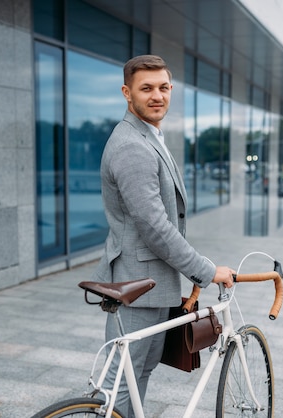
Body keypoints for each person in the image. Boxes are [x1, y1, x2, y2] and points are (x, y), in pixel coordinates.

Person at [91, 55, 235, 417]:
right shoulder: (131, 146)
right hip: (137, 285)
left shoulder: (148, 136)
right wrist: (204, 269)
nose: (157, 95)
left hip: (152, 282)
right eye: (146, 88)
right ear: (127, 93)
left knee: (138, 373)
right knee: (120, 384)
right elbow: (154, 226)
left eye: (164, 87)